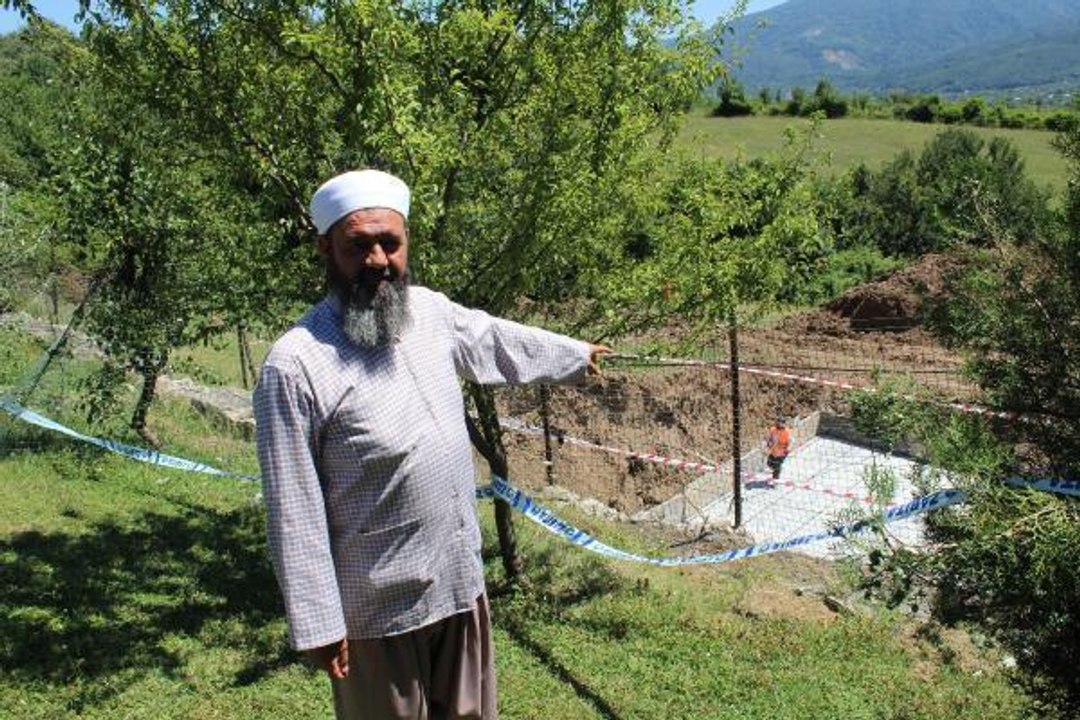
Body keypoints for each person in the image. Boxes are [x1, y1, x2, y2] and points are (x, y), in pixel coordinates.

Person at [253, 168, 610, 720]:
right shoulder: (296, 364)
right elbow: (293, 509)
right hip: (377, 611)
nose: (377, 260)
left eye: (390, 243)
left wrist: (575, 356)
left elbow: (493, 339)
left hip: (458, 583)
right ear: (326, 248)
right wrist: (318, 623)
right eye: (358, 245)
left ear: (407, 242)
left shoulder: (430, 312)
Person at [765, 415, 791, 485]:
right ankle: (775, 471)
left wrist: (787, 449)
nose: (779, 423)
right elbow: (769, 438)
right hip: (773, 451)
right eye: (778, 422)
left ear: (784, 423)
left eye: (781, 422)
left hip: (782, 452)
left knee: (777, 466)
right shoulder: (773, 429)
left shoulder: (786, 431)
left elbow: (789, 441)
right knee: (769, 463)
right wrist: (768, 444)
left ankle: (775, 481)